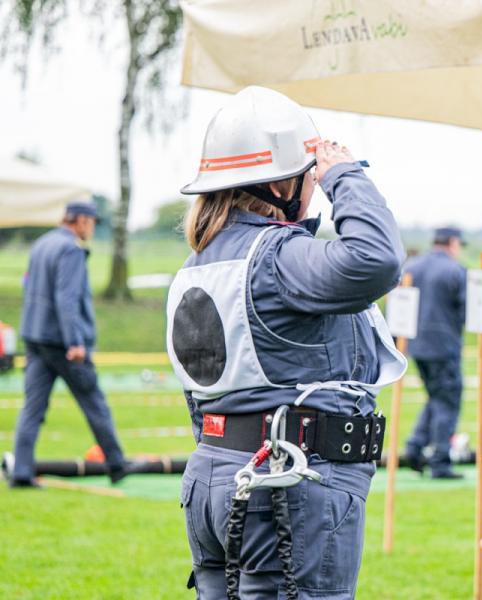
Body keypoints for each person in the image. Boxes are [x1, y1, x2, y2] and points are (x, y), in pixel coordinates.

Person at [169, 86, 406, 598]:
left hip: (214, 473)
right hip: (288, 481)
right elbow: (378, 259)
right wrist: (345, 175)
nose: (314, 185)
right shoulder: (277, 257)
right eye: (309, 175)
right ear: (281, 184)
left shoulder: (197, 265)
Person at [11, 201, 128, 488]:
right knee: (94, 402)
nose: (92, 229)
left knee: (32, 409)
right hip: (62, 343)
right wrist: (75, 341)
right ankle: (117, 464)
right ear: (81, 221)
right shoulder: (70, 249)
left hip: (35, 338)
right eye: (92, 222)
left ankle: (21, 472)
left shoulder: (42, 244)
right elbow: (67, 299)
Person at [403, 227, 467, 479]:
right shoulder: (455, 269)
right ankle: (440, 460)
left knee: (436, 398)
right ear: (452, 242)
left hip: (416, 346)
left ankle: (415, 446)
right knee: (447, 402)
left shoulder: (412, 266)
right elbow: (469, 310)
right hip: (444, 346)